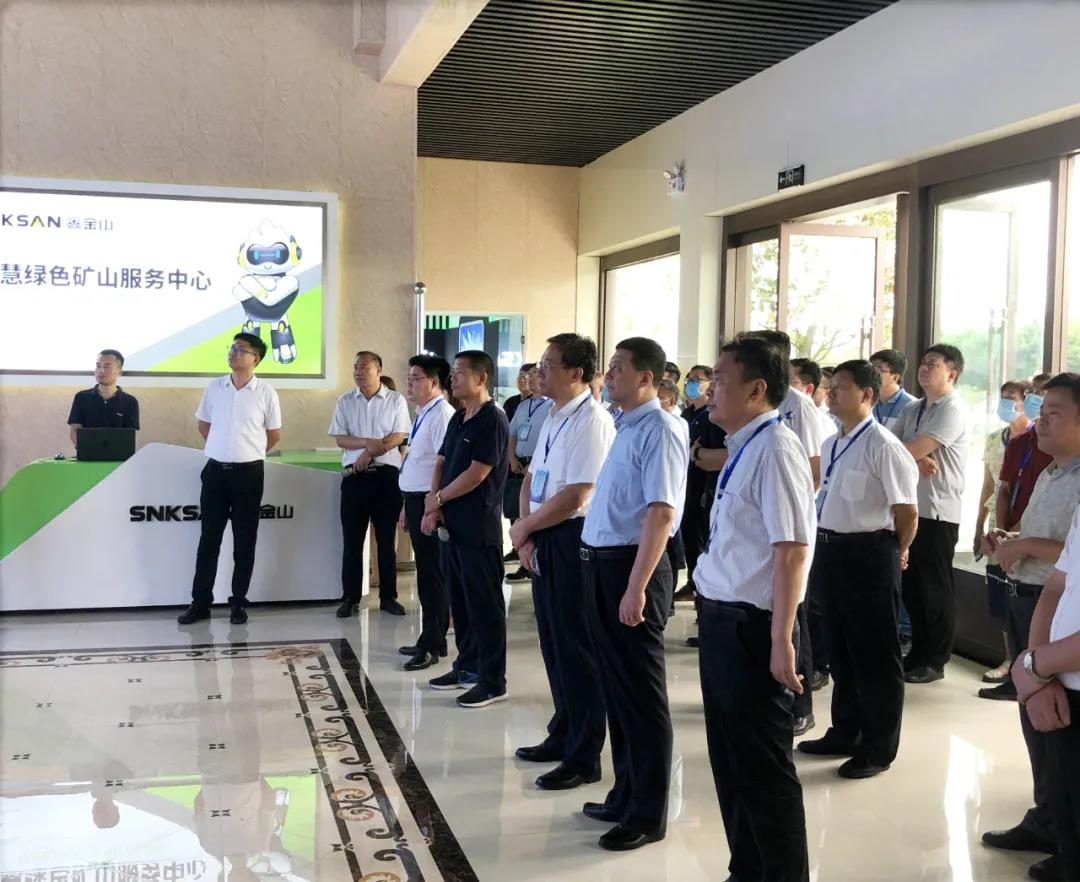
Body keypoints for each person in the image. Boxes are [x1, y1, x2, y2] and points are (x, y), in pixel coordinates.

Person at [693, 335, 814, 881]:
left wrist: (782, 639)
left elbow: (792, 550)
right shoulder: (743, 445)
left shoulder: (776, 449)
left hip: (754, 627)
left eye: (720, 379)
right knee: (731, 761)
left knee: (764, 769)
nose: (709, 389)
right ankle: (748, 869)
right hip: (722, 619)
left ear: (756, 389)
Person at [578, 337, 687, 852]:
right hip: (604, 565)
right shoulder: (624, 425)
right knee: (617, 689)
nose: (610, 374)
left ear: (646, 378)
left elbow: (660, 514)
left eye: (619, 367)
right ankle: (624, 793)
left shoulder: (661, 429)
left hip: (632, 569)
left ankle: (648, 813)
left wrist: (637, 586)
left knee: (641, 697)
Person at [979, 373, 1080, 882]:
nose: (1041, 421)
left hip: (1058, 614)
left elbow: (1067, 560)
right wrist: (1011, 538)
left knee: (1058, 723)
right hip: (1034, 603)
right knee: (1035, 718)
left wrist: (1025, 547)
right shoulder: (1051, 472)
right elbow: (1055, 548)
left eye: (1054, 412)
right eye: (1042, 411)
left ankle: (1063, 830)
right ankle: (1048, 818)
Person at [797, 360, 918, 779]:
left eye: (841, 387)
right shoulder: (833, 442)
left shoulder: (884, 446)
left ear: (867, 395)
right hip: (831, 550)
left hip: (870, 553)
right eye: (830, 387)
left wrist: (896, 551)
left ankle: (878, 748)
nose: (831, 394)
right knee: (841, 649)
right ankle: (845, 732)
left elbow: (907, 512)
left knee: (875, 655)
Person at [509, 334, 615, 791]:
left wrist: (526, 528)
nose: (539, 372)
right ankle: (563, 730)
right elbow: (530, 477)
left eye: (548, 364)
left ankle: (584, 754)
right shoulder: (553, 414)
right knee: (553, 643)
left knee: (576, 647)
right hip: (542, 532)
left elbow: (577, 494)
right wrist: (525, 528)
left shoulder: (592, 421)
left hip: (571, 537)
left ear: (576, 373)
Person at [747, 331, 833, 734]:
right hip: (761, 527)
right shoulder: (754, 406)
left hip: (791, 525)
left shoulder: (799, 407)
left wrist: (792, 509)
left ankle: (801, 705)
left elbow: (813, 467)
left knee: (795, 615)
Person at [423, 350, 510, 709]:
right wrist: (434, 504)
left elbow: (477, 473)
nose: (453, 378)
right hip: (452, 527)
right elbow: (441, 461)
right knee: (460, 604)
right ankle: (468, 666)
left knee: (485, 607)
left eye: (460, 372)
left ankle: (493, 681)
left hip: (479, 529)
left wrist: (438, 498)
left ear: (481, 378)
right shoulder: (459, 417)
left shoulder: (493, 419)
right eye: (453, 372)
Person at [178, 333, 282, 625]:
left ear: (255, 358)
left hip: (249, 475)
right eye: (232, 348)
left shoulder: (266, 393)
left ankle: (238, 602)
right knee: (208, 540)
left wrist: (246, 452)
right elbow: (204, 425)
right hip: (215, 473)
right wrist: (222, 449)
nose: (233, 352)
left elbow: (274, 434)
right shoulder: (215, 387)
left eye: (240, 349)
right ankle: (200, 603)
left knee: (244, 541)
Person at [891, 344, 968, 684]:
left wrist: (915, 454)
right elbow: (887, 447)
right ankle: (918, 653)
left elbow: (908, 448)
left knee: (934, 589)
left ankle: (935, 659)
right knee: (912, 587)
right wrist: (917, 458)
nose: (924, 368)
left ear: (951, 374)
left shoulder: (953, 409)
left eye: (933, 364)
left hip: (937, 511)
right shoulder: (914, 408)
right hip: (909, 506)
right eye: (923, 363)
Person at [329, 351, 411, 618]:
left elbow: (399, 435)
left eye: (364, 367)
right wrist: (366, 443)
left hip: (386, 478)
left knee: (386, 541)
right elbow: (340, 438)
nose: (358, 372)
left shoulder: (395, 400)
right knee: (352, 541)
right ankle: (350, 598)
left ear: (379, 370)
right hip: (354, 478)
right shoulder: (345, 401)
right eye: (356, 367)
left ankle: (388, 597)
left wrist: (369, 453)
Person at [397, 355, 456, 671]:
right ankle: (429, 638)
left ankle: (433, 643)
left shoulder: (442, 415)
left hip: (429, 503)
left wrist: (433, 508)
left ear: (434, 382)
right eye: (408, 378)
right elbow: (417, 462)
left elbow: (445, 466)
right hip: (415, 500)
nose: (409, 384)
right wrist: (407, 506)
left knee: (433, 577)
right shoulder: (424, 413)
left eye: (416, 378)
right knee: (426, 575)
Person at [975, 380, 1034, 687]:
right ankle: (1008, 658)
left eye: (1012, 398)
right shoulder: (995, 440)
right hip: (998, 526)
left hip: (1023, 530)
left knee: (1021, 596)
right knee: (999, 595)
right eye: (1002, 397)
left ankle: (1024, 664)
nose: (1005, 403)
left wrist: (1014, 531)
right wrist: (981, 525)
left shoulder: (1037, 440)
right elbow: (990, 486)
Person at [679, 365, 722, 606]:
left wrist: (695, 454)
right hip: (685, 487)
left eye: (698, 379)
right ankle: (693, 586)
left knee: (702, 542)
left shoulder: (712, 416)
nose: (691, 383)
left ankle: (701, 595)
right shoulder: (687, 414)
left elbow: (716, 457)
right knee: (690, 541)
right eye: (689, 379)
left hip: (703, 489)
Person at [506, 364, 553, 581]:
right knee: (517, 511)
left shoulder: (551, 406)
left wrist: (533, 465)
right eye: (529, 375)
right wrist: (511, 458)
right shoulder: (523, 405)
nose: (531, 378)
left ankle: (534, 561)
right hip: (519, 464)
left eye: (535, 374)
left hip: (538, 468)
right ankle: (522, 557)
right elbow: (513, 434)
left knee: (534, 513)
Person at [67, 349, 140, 448]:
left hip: (118, 456)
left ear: (119, 372)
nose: (101, 370)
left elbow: (129, 437)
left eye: (106, 366)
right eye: (98, 366)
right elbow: (75, 432)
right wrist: (88, 449)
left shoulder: (130, 402)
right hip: (88, 454)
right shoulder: (81, 397)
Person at [659, 379, 689, 595]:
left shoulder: (674, 424)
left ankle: (668, 600)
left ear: (670, 400)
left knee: (668, 553)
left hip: (668, 504)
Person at [870, 349, 917, 431]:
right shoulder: (866, 402)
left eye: (877, 370)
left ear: (895, 377)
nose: (870, 374)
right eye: (870, 369)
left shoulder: (913, 406)